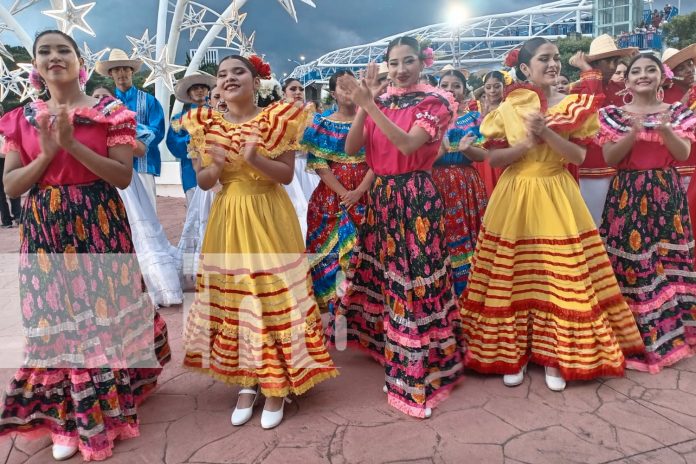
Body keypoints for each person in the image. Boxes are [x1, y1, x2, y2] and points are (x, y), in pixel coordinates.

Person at [0, 30, 169, 461]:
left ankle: (108, 403)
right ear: (35, 64)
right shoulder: (22, 118)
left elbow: (122, 176)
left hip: (99, 219)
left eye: (63, 50)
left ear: (80, 60)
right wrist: (46, 155)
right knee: (54, 313)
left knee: (103, 310)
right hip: (44, 225)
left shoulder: (111, 112)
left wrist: (72, 145)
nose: (54, 57)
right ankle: (66, 415)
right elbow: (12, 186)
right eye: (44, 52)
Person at [459, 38, 643, 392]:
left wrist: (546, 134)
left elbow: (576, 157)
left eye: (557, 58)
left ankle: (557, 355)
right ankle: (513, 354)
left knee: (559, 277)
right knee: (511, 275)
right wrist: (527, 144)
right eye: (544, 59)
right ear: (526, 69)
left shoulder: (576, 105)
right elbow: (495, 160)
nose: (554, 64)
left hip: (556, 192)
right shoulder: (510, 107)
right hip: (514, 194)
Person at [181, 54, 337, 430]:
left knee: (271, 294)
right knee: (238, 297)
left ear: (256, 82)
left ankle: (276, 385)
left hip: (268, 213)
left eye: (238, 72)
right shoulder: (205, 123)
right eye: (222, 74)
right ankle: (248, 380)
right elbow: (204, 182)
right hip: (228, 216)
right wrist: (215, 168)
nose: (229, 78)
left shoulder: (277, 119)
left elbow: (285, 175)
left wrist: (253, 157)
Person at [331, 36, 465, 419]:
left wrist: (369, 103)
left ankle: (418, 366)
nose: (400, 69)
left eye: (408, 61)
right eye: (394, 62)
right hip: (383, 196)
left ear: (422, 63)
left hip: (416, 195)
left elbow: (408, 146)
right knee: (386, 275)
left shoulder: (436, 101)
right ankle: (390, 347)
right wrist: (365, 104)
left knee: (414, 277)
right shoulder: (383, 99)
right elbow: (352, 148)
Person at [598, 53, 696, 373]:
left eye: (650, 69)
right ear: (626, 81)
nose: (643, 75)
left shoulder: (678, 112)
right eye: (636, 71)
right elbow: (611, 157)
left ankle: (672, 334)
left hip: (666, 193)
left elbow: (682, 153)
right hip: (627, 195)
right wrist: (631, 132)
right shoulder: (613, 114)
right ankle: (634, 337)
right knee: (632, 263)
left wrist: (666, 129)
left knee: (666, 262)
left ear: (661, 76)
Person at [89, 89, 183, 308]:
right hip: (99, 186)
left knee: (140, 231)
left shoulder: (121, 122)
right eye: (97, 98)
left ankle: (153, 285)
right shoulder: (84, 125)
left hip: (127, 184)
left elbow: (141, 149)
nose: (101, 102)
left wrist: (119, 137)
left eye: (105, 99)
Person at [302, 70, 372, 314]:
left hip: (367, 195)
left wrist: (360, 190)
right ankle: (335, 307)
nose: (349, 92)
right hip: (330, 199)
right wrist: (345, 194)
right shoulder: (321, 124)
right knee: (330, 254)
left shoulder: (372, 120)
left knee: (365, 251)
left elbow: (379, 160)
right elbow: (320, 164)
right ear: (333, 93)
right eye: (343, 87)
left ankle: (362, 310)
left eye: (353, 86)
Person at [570, 34, 638, 226]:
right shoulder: (577, 90)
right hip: (593, 167)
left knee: (620, 224)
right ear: (595, 64)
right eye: (609, 61)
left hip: (621, 166)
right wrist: (587, 72)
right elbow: (591, 109)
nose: (614, 66)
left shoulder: (620, 88)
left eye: (616, 60)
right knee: (593, 223)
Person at [437, 68, 488, 295]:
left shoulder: (475, 119)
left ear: (464, 91)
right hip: (436, 184)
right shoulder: (427, 119)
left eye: (456, 85)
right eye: (445, 85)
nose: (450, 90)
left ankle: (471, 291)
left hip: (466, 183)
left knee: (471, 234)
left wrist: (470, 150)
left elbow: (485, 154)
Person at [96, 48, 165, 211]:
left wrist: (132, 138)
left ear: (132, 71)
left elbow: (158, 131)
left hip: (143, 165)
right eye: (116, 69)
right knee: (120, 213)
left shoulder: (149, 100)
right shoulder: (105, 104)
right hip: (115, 166)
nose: (121, 73)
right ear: (110, 74)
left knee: (148, 213)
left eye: (125, 68)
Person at [167, 72, 216, 205]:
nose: (200, 90)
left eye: (203, 87)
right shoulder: (178, 119)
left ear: (208, 91)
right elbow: (173, 144)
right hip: (190, 171)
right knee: (195, 211)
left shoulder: (218, 115)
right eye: (195, 88)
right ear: (189, 94)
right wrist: (192, 139)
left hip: (217, 169)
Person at [662, 44, 696, 190]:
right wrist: (682, 105)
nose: (689, 70)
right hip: (677, 166)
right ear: (671, 75)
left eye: (690, 64)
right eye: (681, 68)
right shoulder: (662, 97)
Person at [472, 71, 508, 195]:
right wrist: (484, 116)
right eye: (488, 87)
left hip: (504, 154)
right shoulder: (476, 108)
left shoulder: (510, 106)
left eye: (497, 86)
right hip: (483, 156)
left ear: (504, 86)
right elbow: (477, 137)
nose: (492, 90)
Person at [0, 103, 22, 228]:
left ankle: (7, 220)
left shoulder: (6, 123)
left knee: (2, 192)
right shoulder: (7, 123)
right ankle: (17, 215)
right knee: (14, 186)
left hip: (6, 157)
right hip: (9, 157)